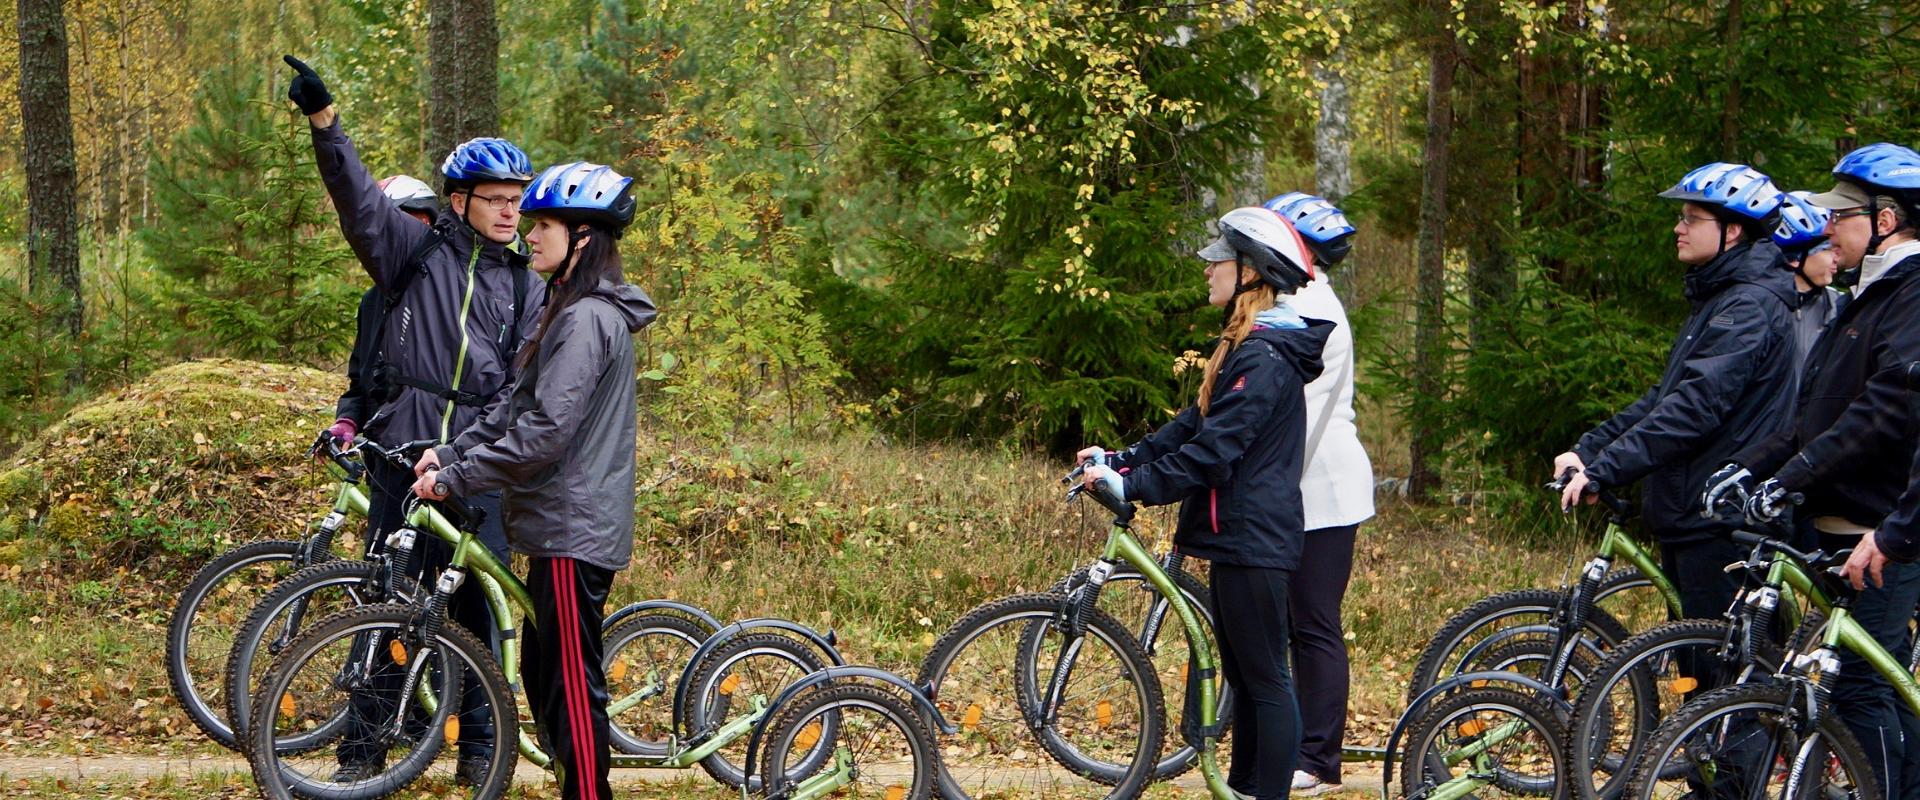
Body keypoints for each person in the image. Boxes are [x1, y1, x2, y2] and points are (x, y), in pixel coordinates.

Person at [284, 54, 545, 783]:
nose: (506, 210)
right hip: (402, 460)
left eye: (515, 200)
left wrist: (463, 456)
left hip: (476, 471)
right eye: (492, 198)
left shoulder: (525, 287)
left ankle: (482, 758)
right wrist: (326, 126)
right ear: (458, 202)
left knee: (482, 620)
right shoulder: (413, 254)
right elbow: (360, 202)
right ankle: (362, 758)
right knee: (386, 609)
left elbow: (518, 393)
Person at [412, 161, 657, 800]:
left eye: (544, 223)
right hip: (556, 523)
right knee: (552, 674)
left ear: (584, 238)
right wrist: (451, 452)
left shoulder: (585, 320)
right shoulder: (563, 309)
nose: (528, 232)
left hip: (575, 526)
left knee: (571, 684)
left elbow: (546, 432)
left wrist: (460, 477)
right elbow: (512, 407)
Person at [1078, 206, 1331, 800]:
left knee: (1266, 679)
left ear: (1252, 273)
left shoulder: (1265, 358)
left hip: (1253, 539)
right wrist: (1122, 461)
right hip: (1237, 536)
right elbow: (1194, 425)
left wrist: (1135, 487)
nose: (1210, 267)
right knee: (1246, 675)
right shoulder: (1247, 347)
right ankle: (1244, 789)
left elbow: (1214, 453)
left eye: (1222, 257)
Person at [1721, 142, 1920, 797]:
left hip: (1885, 526)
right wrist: (1747, 469)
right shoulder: (1867, 293)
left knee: (1865, 688)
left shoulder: (1911, 294)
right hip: (1841, 521)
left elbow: (1882, 413)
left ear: (1886, 220)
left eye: (1843, 214)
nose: (1827, 225)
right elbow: (1814, 415)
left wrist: (1792, 476)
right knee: (1866, 685)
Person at [1556, 162, 1797, 630]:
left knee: (1718, 683)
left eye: (1691, 219)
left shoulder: (1747, 305)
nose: (1678, 228)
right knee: (1696, 669)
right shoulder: (1720, 298)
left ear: (1732, 231)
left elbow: (1695, 407)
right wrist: (1589, 450)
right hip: (1694, 513)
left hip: (1719, 520)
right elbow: (1664, 397)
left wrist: (1606, 469)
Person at [1263, 192, 1374, 798]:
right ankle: (1292, 744)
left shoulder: (1308, 305)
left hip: (1322, 485)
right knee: (1290, 621)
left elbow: (1291, 413)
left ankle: (1318, 758)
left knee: (1312, 623)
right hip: (1304, 481)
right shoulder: (1292, 298)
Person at [1771, 190, 1844, 377]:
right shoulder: (1759, 307)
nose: (1837, 257)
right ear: (1794, 258)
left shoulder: (1841, 307)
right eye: (1828, 250)